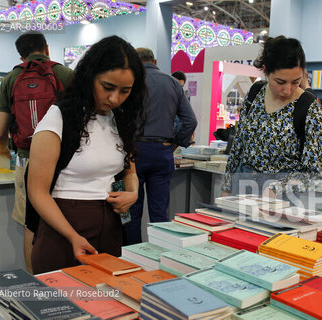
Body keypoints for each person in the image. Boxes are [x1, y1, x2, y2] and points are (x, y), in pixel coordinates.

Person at [26, 35, 146, 274]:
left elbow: (129, 169)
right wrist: (72, 236)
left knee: (107, 304)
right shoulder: (59, 117)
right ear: (90, 77)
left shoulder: (121, 118)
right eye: (108, 88)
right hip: (64, 227)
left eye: (125, 91)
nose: (114, 99)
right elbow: (37, 192)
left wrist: (132, 193)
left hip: (111, 226)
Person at [0, 31, 74, 273]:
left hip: (26, 161)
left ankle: (35, 279)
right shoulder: (65, 74)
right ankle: (66, 277)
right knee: (65, 221)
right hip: (65, 161)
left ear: (21, 55)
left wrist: (3, 149)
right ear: (47, 48)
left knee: (31, 225)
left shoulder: (11, 78)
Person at [221, 36, 322, 198]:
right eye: (280, 81)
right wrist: (227, 187)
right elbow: (238, 146)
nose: (288, 89)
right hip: (242, 186)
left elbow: (315, 173)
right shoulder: (255, 93)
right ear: (265, 71)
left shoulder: (309, 108)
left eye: (296, 81)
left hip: (283, 198)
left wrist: (278, 188)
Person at [125, 48, 197, 245]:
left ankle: (132, 260)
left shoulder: (130, 83)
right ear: (155, 61)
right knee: (160, 214)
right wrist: (174, 143)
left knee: (132, 213)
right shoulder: (173, 83)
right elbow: (190, 121)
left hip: (133, 153)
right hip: (162, 153)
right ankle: (161, 261)